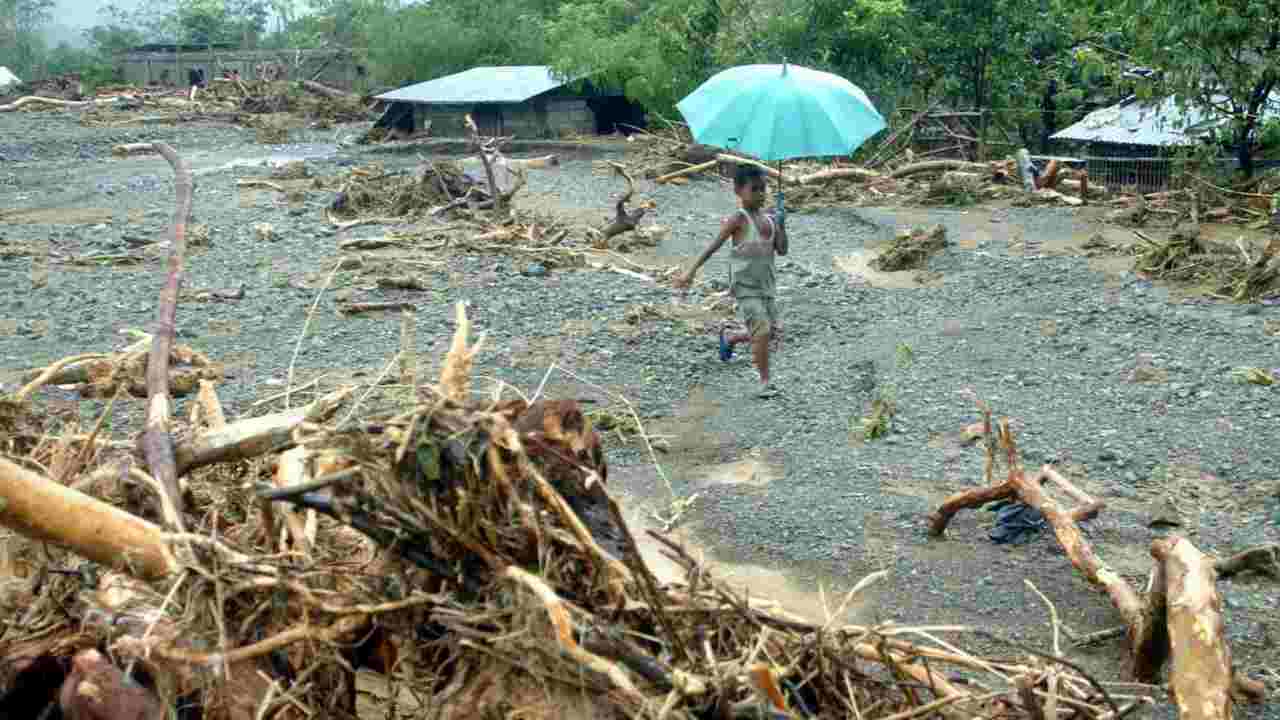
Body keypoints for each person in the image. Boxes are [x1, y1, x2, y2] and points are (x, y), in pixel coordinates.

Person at [674, 163, 788, 398]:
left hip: (767, 285)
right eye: (754, 189)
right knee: (763, 330)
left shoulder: (770, 220)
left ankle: (732, 337)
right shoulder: (739, 218)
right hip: (745, 286)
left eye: (762, 189)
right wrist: (691, 271)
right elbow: (713, 246)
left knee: (772, 332)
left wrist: (782, 225)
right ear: (738, 191)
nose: (759, 194)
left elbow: (783, 250)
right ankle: (765, 383)